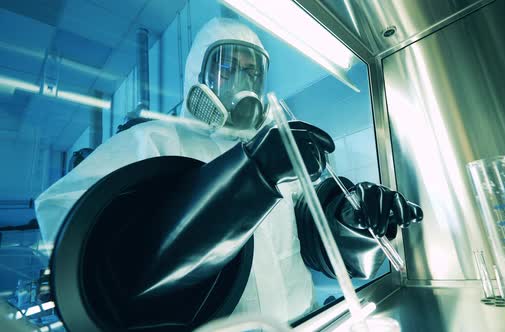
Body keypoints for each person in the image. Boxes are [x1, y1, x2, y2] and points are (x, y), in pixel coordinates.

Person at [35, 17, 421, 330]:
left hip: (306, 322)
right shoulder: (154, 141)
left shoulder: (278, 153)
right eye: (228, 67)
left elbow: (314, 232)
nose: (243, 82)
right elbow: (69, 222)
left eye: (253, 72)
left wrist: (351, 218)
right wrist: (249, 175)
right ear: (197, 74)